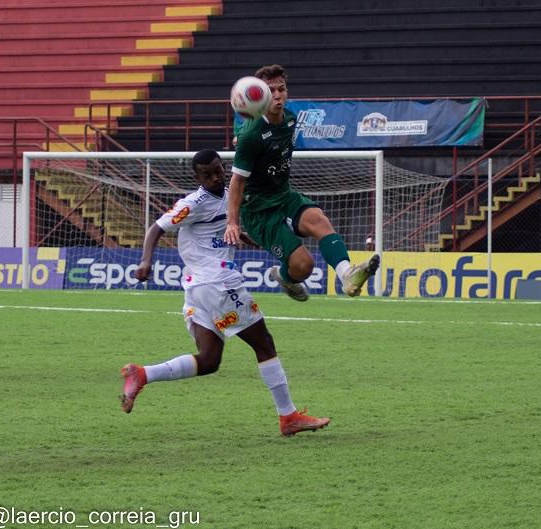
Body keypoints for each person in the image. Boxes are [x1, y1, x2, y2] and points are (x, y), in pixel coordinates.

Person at [119, 149, 330, 437]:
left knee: (209, 360)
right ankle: (288, 416)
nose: (215, 178)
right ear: (198, 178)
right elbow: (156, 228)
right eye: (207, 175)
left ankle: (142, 374)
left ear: (224, 167)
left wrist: (255, 238)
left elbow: (230, 229)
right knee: (264, 344)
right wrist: (146, 261)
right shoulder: (193, 203)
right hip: (218, 283)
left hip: (199, 289)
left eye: (218, 171)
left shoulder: (232, 194)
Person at [224, 64, 380, 302]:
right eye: (271, 91)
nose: (278, 95)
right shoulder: (251, 135)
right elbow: (237, 182)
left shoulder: (290, 118)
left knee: (320, 222)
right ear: (261, 96)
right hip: (259, 210)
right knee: (304, 266)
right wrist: (233, 222)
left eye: (282, 89)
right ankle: (284, 277)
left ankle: (347, 274)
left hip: (283, 196)